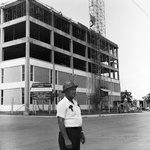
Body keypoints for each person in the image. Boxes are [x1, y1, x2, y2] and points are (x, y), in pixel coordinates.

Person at [57, 80, 86, 150]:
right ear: (66, 91)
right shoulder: (62, 103)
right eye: (72, 90)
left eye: (75, 90)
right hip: (68, 133)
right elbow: (60, 122)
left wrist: (81, 133)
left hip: (76, 133)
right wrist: (66, 139)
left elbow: (77, 118)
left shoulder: (75, 103)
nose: (74, 92)